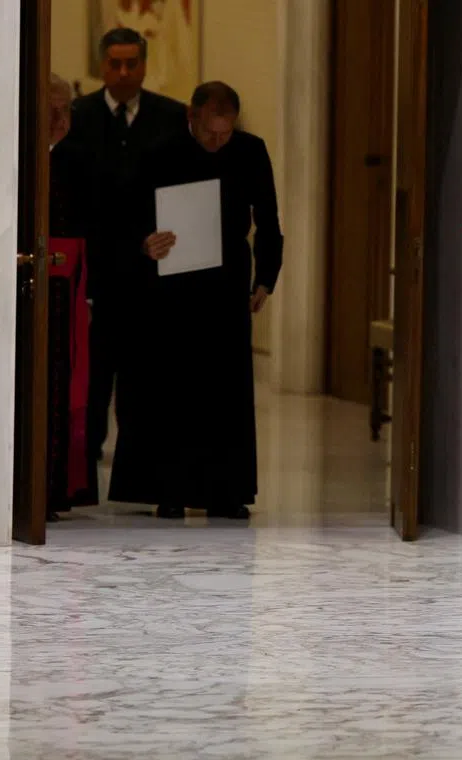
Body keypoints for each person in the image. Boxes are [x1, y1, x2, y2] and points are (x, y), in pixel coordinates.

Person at [107, 81, 284, 520]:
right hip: (172, 287)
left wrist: (266, 277)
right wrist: (144, 244)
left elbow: (268, 217)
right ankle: (170, 489)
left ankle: (226, 491)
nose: (216, 142)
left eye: (224, 134)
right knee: (173, 387)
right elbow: (126, 214)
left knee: (226, 389)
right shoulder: (159, 152)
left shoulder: (249, 151)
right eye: (210, 133)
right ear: (193, 116)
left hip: (226, 286)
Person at [68, 27, 188, 472]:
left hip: (149, 266)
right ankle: (86, 450)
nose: (122, 72)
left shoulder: (171, 117)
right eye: (114, 64)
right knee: (94, 365)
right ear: (102, 65)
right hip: (95, 264)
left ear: (143, 65)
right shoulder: (78, 115)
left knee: (143, 369)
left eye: (131, 64)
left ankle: (139, 458)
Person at [46, 73, 96, 519]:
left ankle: (61, 489)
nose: (60, 119)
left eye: (67, 110)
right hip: (34, 291)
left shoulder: (81, 158)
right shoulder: (17, 154)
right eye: (51, 109)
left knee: (69, 383)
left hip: (72, 289)